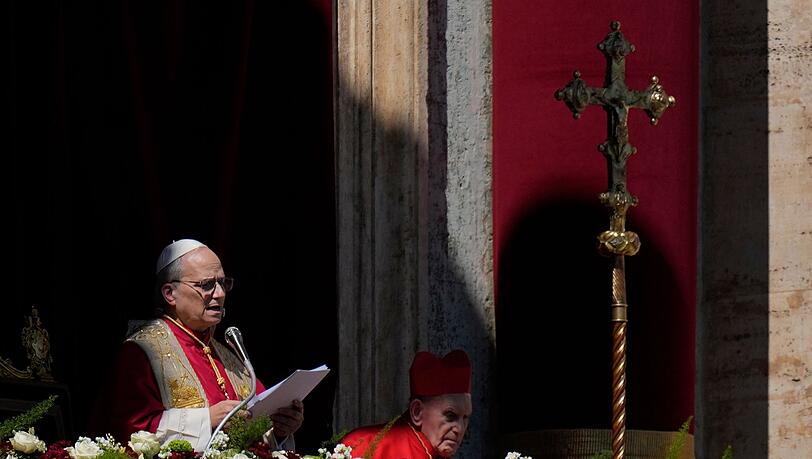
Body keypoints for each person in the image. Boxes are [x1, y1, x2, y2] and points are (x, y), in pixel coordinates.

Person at [102, 239, 304, 451]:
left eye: (223, 283)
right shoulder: (142, 352)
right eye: (206, 285)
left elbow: (257, 421)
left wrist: (279, 429)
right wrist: (206, 419)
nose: (220, 294)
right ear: (170, 293)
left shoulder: (227, 354)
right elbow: (131, 432)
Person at [340, 349, 473, 458]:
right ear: (417, 412)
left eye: (465, 418)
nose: (460, 429)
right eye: (450, 416)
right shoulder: (360, 445)